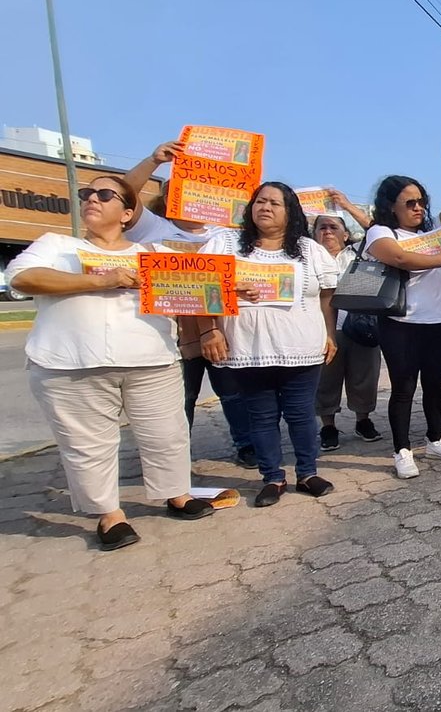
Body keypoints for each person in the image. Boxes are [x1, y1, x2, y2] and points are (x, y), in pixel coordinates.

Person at [7, 176, 213, 551]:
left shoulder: (152, 253)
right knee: (89, 444)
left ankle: (176, 494)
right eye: (86, 194)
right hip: (70, 364)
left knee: (167, 434)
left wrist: (239, 292)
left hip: (150, 361)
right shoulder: (57, 246)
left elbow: (200, 290)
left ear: (128, 213)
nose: (92, 200)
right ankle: (109, 514)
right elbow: (22, 278)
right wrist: (101, 281)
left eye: (104, 195)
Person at [197, 183, 341, 507]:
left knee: (301, 414)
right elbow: (201, 287)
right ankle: (272, 478)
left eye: (275, 203)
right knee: (261, 417)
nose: (266, 207)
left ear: (290, 212)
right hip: (247, 347)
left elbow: (327, 296)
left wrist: (330, 334)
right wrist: (209, 330)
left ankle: (307, 473)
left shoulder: (309, 250)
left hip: (302, 347)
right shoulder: (224, 243)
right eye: (260, 201)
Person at [122, 142, 256, 469]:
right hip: (171, 330)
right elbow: (121, 196)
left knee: (234, 393)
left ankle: (247, 444)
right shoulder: (152, 227)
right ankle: (171, 458)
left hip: (219, 327)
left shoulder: (226, 233)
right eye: (182, 191)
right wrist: (153, 160)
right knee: (180, 397)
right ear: (169, 197)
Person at [362, 176, 441, 477]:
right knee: (404, 388)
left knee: (435, 385)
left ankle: (436, 438)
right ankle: (402, 450)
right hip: (402, 324)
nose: (418, 208)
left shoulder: (433, 231)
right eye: (409, 203)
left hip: (440, 321)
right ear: (391, 206)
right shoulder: (380, 232)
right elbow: (399, 257)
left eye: (421, 201)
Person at [311, 215, 382, 450]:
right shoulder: (308, 258)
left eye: (334, 227)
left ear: (345, 234)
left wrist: (346, 206)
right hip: (322, 331)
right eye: (322, 227)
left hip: (361, 328)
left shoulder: (360, 255)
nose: (328, 232)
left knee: (364, 378)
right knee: (325, 381)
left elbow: (375, 230)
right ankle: (328, 426)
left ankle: (363, 421)